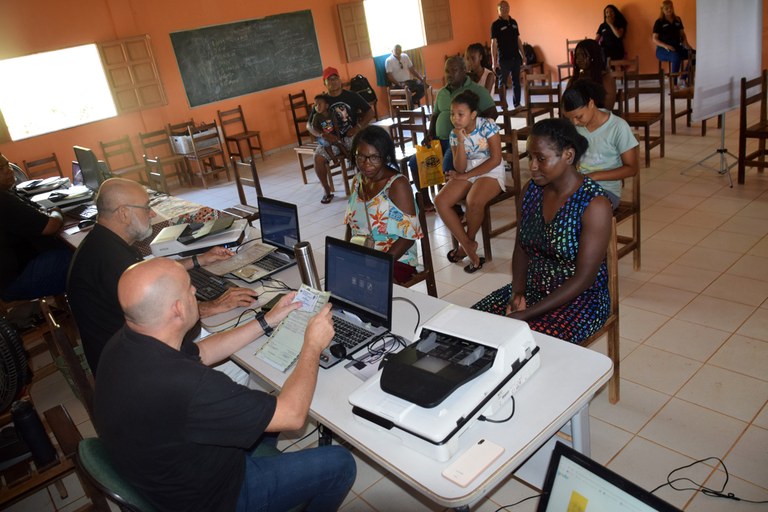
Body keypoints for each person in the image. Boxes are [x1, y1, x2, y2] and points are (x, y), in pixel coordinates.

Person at [94, 257, 356, 512]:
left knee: (263, 408)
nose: (195, 290)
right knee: (340, 463)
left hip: (168, 473)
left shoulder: (125, 342)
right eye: (189, 288)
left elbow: (203, 352)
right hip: (216, 497)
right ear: (177, 308)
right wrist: (312, 344)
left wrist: (268, 321)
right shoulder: (188, 384)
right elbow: (293, 416)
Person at [67, 178, 258, 375]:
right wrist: (215, 306)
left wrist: (199, 259)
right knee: (242, 362)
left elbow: (149, 273)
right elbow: (166, 317)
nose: (152, 213)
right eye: (146, 207)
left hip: (123, 356)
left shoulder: (103, 243)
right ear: (124, 213)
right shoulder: (112, 262)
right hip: (135, 370)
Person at [472, 118, 612, 344]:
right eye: (530, 156)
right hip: (533, 287)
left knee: (527, 342)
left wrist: (527, 314)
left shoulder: (594, 204)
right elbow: (521, 246)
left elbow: (584, 278)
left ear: (568, 156)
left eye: (541, 158)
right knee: (474, 323)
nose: (533, 166)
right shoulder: (532, 191)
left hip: (580, 300)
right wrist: (518, 292)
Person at [407, 56, 497, 212]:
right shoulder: (442, 92)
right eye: (447, 71)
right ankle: (426, 201)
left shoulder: (476, 90)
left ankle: (452, 205)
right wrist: (430, 135)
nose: (449, 74)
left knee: (447, 165)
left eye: (454, 70)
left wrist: (473, 131)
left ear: (463, 71)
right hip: (438, 140)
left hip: (459, 140)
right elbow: (435, 116)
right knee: (415, 162)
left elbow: (492, 113)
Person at [434, 91, 504, 274]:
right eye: (452, 114)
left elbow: (496, 159)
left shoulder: (488, 126)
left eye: (460, 114)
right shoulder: (454, 134)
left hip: (491, 170)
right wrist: (460, 141)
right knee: (440, 201)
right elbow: (460, 167)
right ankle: (468, 245)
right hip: (468, 171)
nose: (455, 118)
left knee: (474, 200)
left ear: (473, 114)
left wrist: (466, 176)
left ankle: (466, 245)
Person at [344, 125, 422, 284]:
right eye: (361, 157)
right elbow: (350, 226)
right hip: (364, 256)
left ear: (385, 157)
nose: (366, 164)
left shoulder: (397, 185)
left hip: (396, 259)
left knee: (365, 286)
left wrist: (381, 264)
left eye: (374, 157)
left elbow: (408, 238)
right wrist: (346, 255)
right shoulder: (357, 181)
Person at [0, 153, 71, 301]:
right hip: (17, 280)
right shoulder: (4, 201)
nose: (8, 170)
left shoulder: (8, 193)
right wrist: (57, 212)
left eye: (7, 165)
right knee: (83, 259)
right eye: (1, 169)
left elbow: (35, 211)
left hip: (16, 273)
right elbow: (50, 226)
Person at [561, 79, 639, 210]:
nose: (574, 122)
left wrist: (594, 176)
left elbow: (632, 168)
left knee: (579, 211)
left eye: (579, 117)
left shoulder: (617, 127)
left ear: (591, 103)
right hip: (578, 186)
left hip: (606, 191)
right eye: (570, 118)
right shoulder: (575, 128)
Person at [307, 66, 374, 205]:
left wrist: (358, 127)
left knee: (362, 151)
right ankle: (326, 190)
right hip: (330, 140)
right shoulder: (321, 100)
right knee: (318, 158)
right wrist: (322, 135)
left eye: (335, 78)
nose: (333, 82)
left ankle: (365, 185)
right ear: (324, 83)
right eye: (329, 80)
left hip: (351, 135)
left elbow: (370, 112)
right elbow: (309, 125)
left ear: (339, 80)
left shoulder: (352, 96)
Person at [491, 0, 526, 107]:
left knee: (516, 82)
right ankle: (503, 105)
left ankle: (517, 104)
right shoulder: (495, 25)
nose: (504, 9)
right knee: (503, 83)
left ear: (509, 8)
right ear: (498, 11)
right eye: (501, 8)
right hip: (503, 59)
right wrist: (494, 62)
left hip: (516, 57)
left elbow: (518, 40)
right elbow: (494, 43)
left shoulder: (514, 22)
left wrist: (523, 56)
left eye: (506, 7)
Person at [567, 38, 617, 111]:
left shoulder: (606, 79)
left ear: (594, 56)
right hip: (576, 120)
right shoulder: (574, 79)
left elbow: (607, 109)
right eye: (577, 55)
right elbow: (565, 105)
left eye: (583, 55)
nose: (579, 59)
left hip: (600, 120)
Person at [652, 0, 693, 78]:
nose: (669, 10)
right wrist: (666, 46)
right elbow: (654, 39)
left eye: (670, 8)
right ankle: (674, 84)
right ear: (662, 10)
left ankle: (684, 78)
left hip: (677, 47)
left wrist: (687, 45)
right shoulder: (659, 22)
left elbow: (682, 35)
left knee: (695, 55)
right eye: (666, 8)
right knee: (676, 57)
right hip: (662, 50)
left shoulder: (678, 19)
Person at [311, 93, 349, 159]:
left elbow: (336, 126)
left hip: (332, 135)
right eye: (316, 105)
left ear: (326, 106)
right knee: (326, 144)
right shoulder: (316, 116)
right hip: (322, 137)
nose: (317, 107)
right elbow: (314, 127)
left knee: (339, 142)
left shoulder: (331, 114)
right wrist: (321, 133)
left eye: (320, 104)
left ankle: (348, 156)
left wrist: (338, 136)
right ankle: (334, 159)